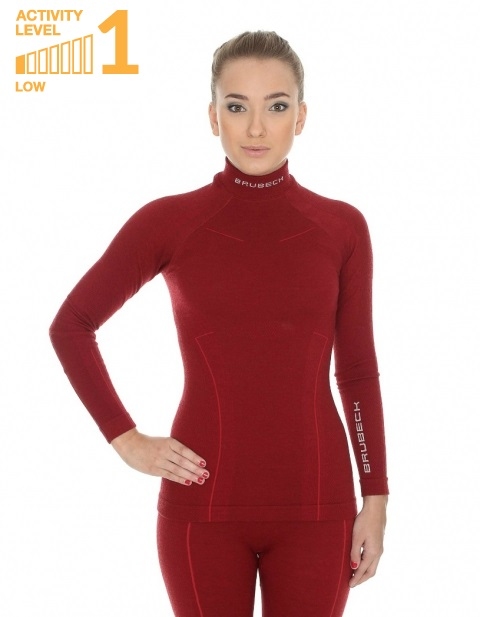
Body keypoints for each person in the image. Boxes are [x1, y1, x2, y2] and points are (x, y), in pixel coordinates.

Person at [50, 30, 388, 617]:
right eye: (237, 107)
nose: (256, 128)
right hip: (200, 504)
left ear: (301, 116)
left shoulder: (341, 227)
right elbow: (72, 325)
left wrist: (375, 495)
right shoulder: (170, 221)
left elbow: (356, 371)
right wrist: (125, 439)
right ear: (213, 117)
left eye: (276, 106)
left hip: (318, 505)